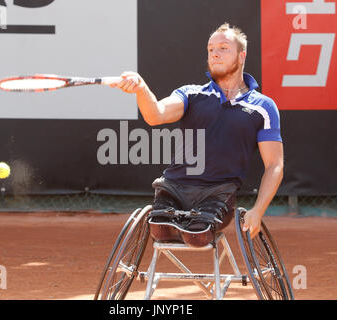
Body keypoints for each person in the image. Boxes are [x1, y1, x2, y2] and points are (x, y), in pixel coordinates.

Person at [110, 23, 283, 240]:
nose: (215, 54)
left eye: (223, 48)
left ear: (241, 56)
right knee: (159, 231)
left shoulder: (263, 107)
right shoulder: (190, 94)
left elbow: (274, 164)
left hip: (218, 193)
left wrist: (258, 210)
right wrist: (141, 89)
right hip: (173, 188)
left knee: (197, 236)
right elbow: (156, 115)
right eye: (211, 49)